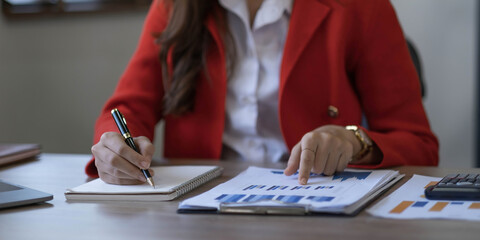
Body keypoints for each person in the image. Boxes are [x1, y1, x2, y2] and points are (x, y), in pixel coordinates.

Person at [88, 0, 439, 185]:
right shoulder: (174, 6)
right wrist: (115, 147)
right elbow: (127, 109)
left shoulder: (361, 7)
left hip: (317, 210)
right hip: (199, 214)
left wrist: (353, 141)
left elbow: (418, 143)